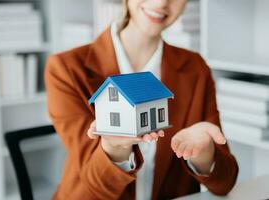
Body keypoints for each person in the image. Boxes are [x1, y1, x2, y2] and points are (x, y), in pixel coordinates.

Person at [45, 0, 239, 199]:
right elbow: (96, 185)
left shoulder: (195, 68)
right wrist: (114, 150)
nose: (162, 2)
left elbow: (225, 183)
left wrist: (204, 154)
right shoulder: (65, 68)